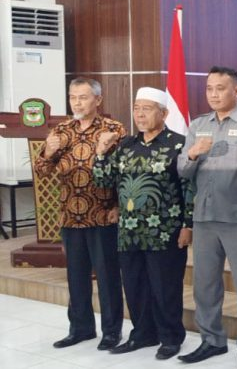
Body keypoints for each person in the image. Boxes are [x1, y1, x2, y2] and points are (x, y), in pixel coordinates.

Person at [92, 87, 194, 360]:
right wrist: (101, 153)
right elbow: (104, 182)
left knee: (165, 287)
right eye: (137, 108)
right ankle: (143, 334)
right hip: (129, 230)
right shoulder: (126, 145)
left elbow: (189, 187)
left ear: (164, 113)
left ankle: (171, 337)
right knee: (135, 286)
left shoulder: (178, 144)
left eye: (146, 108)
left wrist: (188, 225)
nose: (139, 113)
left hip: (165, 230)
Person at [177, 66, 237, 367]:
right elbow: (182, 172)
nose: (214, 94)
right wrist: (192, 154)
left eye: (221, 88)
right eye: (209, 89)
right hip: (204, 215)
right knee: (204, 283)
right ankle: (212, 340)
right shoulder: (198, 125)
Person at [35, 78, 126, 351]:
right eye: (73, 97)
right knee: (76, 276)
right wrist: (48, 153)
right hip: (70, 216)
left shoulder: (114, 129)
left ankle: (112, 331)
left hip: (102, 215)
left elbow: (124, 173)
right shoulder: (61, 130)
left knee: (108, 276)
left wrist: (119, 207)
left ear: (98, 100)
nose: (77, 102)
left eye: (83, 97)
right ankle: (81, 328)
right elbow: (42, 171)